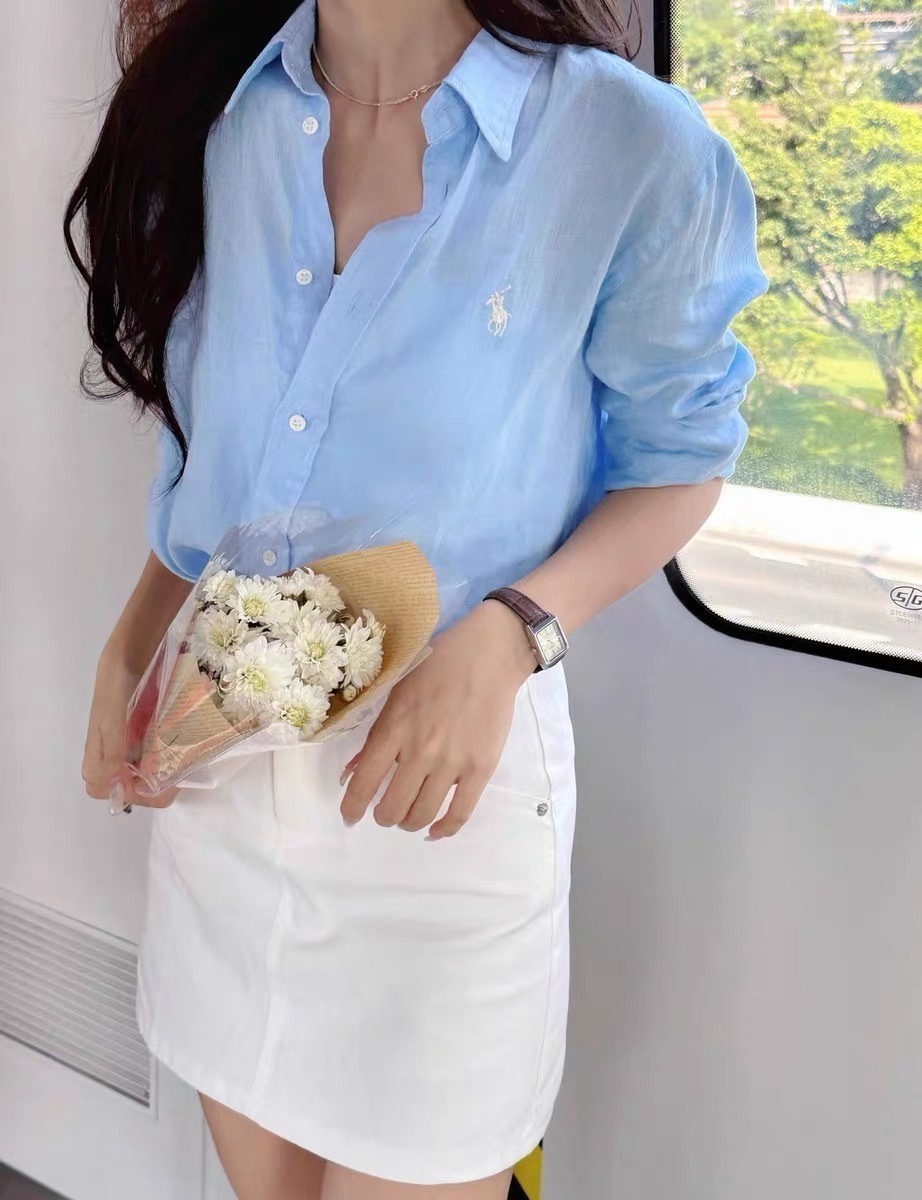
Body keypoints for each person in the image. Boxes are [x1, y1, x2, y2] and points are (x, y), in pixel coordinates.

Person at [71, 1, 767, 1197]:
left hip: (439, 795)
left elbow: (680, 461)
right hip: (222, 767)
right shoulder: (218, 116)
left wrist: (514, 633)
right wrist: (129, 645)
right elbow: (215, 460)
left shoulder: (623, 141)